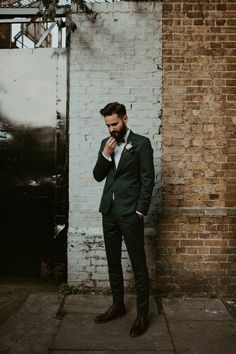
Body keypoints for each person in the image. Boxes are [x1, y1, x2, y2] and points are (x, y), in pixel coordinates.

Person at [93, 102, 155, 337]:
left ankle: (142, 314)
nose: (111, 129)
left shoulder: (141, 144)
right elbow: (98, 176)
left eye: (115, 123)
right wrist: (105, 155)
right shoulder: (104, 144)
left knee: (138, 265)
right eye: (108, 125)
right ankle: (117, 305)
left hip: (130, 214)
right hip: (108, 211)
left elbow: (148, 180)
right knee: (112, 261)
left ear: (125, 119)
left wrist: (140, 210)